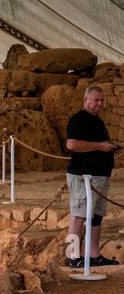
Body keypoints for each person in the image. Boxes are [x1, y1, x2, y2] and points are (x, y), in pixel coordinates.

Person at [65, 85, 119, 268]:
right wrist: (100, 147)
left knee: (96, 216)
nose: (100, 103)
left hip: (100, 176)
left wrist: (110, 148)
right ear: (86, 100)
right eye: (96, 100)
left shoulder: (97, 120)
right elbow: (72, 144)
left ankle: (93, 253)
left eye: (102, 100)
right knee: (79, 215)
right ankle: (72, 256)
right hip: (83, 177)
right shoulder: (78, 119)